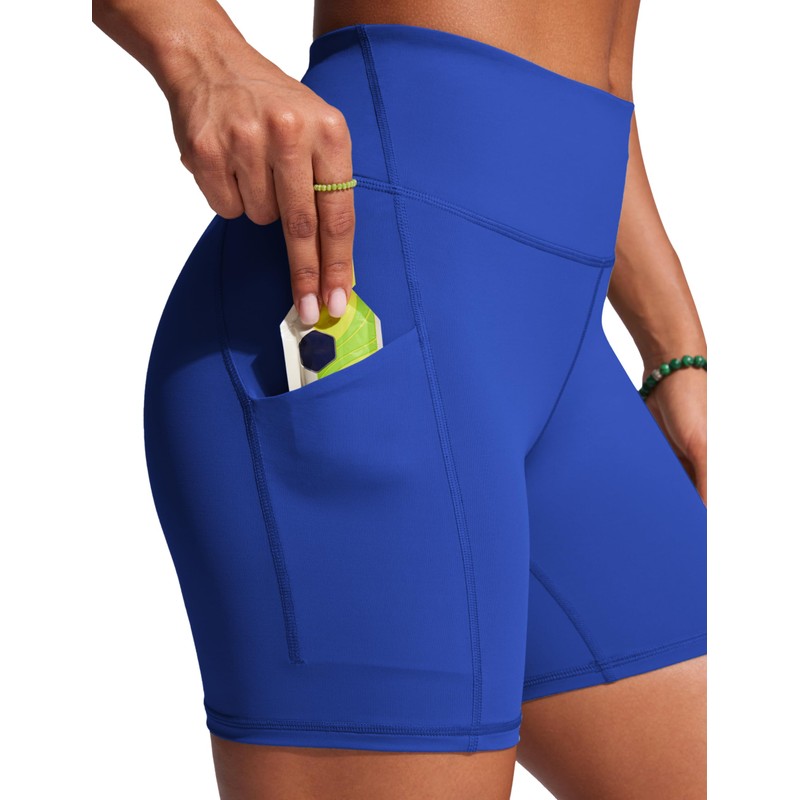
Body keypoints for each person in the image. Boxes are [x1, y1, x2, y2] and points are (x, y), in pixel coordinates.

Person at [92, 1, 708, 798]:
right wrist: (203, 55)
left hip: (564, 356)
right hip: (361, 320)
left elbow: (598, 76)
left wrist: (675, 349)